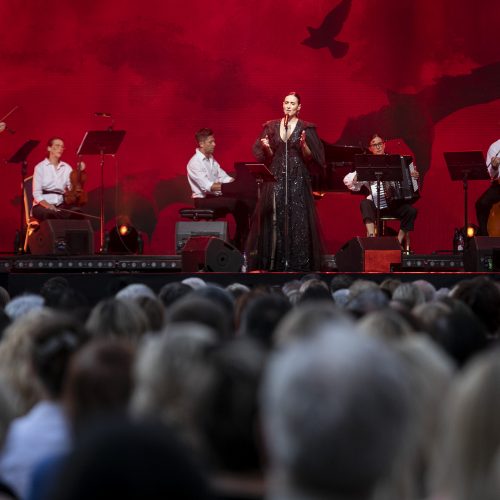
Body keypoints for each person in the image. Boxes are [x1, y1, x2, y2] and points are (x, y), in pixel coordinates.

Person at [248, 91, 325, 271]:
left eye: (292, 103)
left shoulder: (306, 128)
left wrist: (304, 145)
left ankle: (299, 262)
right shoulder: (272, 126)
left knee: (297, 218)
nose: (288, 106)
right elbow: (268, 156)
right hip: (276, 176)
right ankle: (277, 261)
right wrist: (267, 148)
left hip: (297, 175)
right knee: (276, 217)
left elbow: (310, 158)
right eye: (286, 102)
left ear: (299, 107)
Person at [344, 134, 418, 249]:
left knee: (411, 211)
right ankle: (371, 239)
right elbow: (348, 181)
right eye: (375, 144)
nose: (378, 147)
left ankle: (398, 242)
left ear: (384, 145)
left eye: (380, 144)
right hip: (376, 206)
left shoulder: (395, 161)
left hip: (394, 204)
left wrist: (412, 176)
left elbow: (407, 179)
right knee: (365, 203)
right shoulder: (368, 164)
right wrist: (357, 176)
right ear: (370, 148)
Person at [186, 128, 251, 250]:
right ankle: (241, 241)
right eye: (211, 142)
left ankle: (242, 239)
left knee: (242, 202)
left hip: (214, 197)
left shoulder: (211, 159)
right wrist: (232, 188)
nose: (214, 144)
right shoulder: (194, 163)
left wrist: (238, 184)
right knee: (235, 202)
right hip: (203, 201)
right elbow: (207, 187)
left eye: (214, 141)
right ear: (201, 144)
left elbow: (223, 177)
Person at [32, 137, 84, 221]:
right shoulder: (40, 167)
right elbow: (36, 194)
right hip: (43, 205)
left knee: (77, 213)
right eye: (57, 145)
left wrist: (79, 173)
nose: (60, 148)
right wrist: (48, 205)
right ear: (49, 148)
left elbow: (72, 189)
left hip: (61, 205)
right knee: (50, 214)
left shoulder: (66, 167)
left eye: (62, 147)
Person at [475, 138, 500, 236]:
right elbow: (491, 174)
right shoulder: (495, 147)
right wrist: (494, 167)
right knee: (481, 203)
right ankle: (486, 237)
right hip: (499, 185)